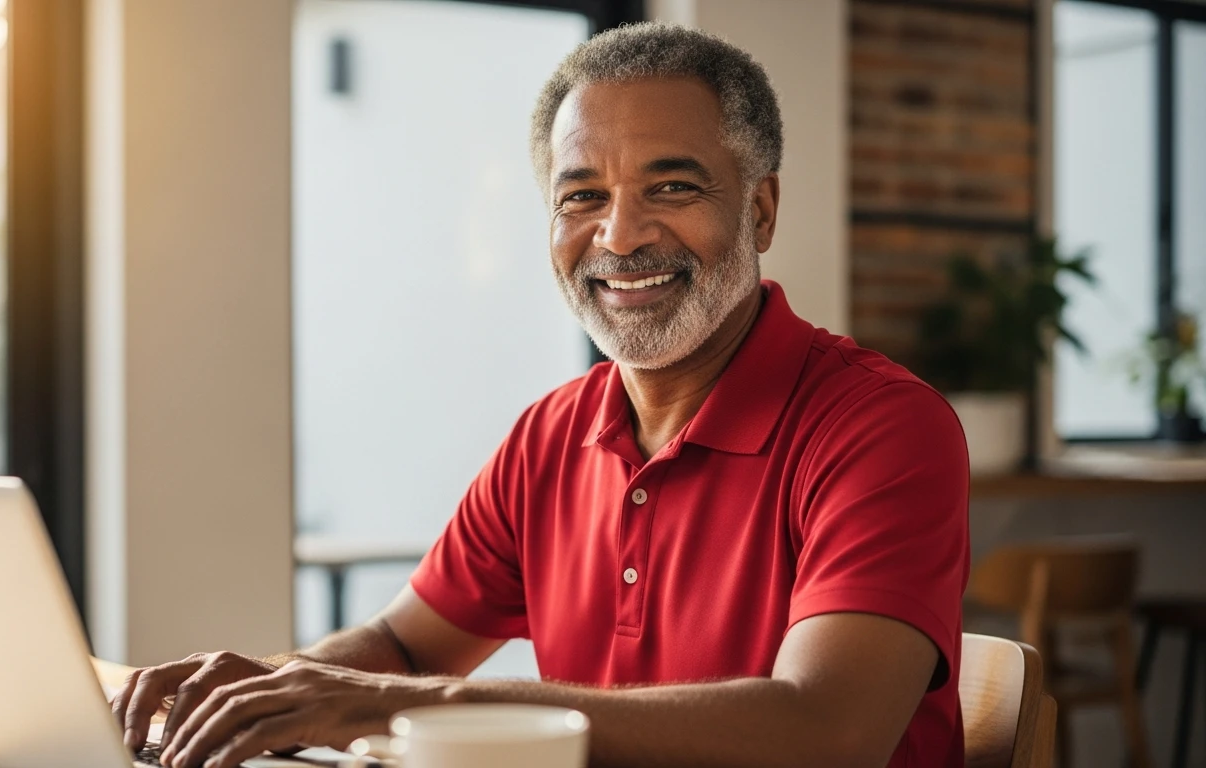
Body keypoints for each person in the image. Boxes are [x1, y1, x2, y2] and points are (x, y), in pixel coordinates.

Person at [113, 22, 969, 768]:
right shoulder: (551, 435)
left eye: (672, 187)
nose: (620, 236)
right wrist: (264, 691)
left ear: (761, 210)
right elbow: (404, 646)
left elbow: (827, 733)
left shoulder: (883, 428)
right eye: (582, 196)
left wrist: (388, 705)